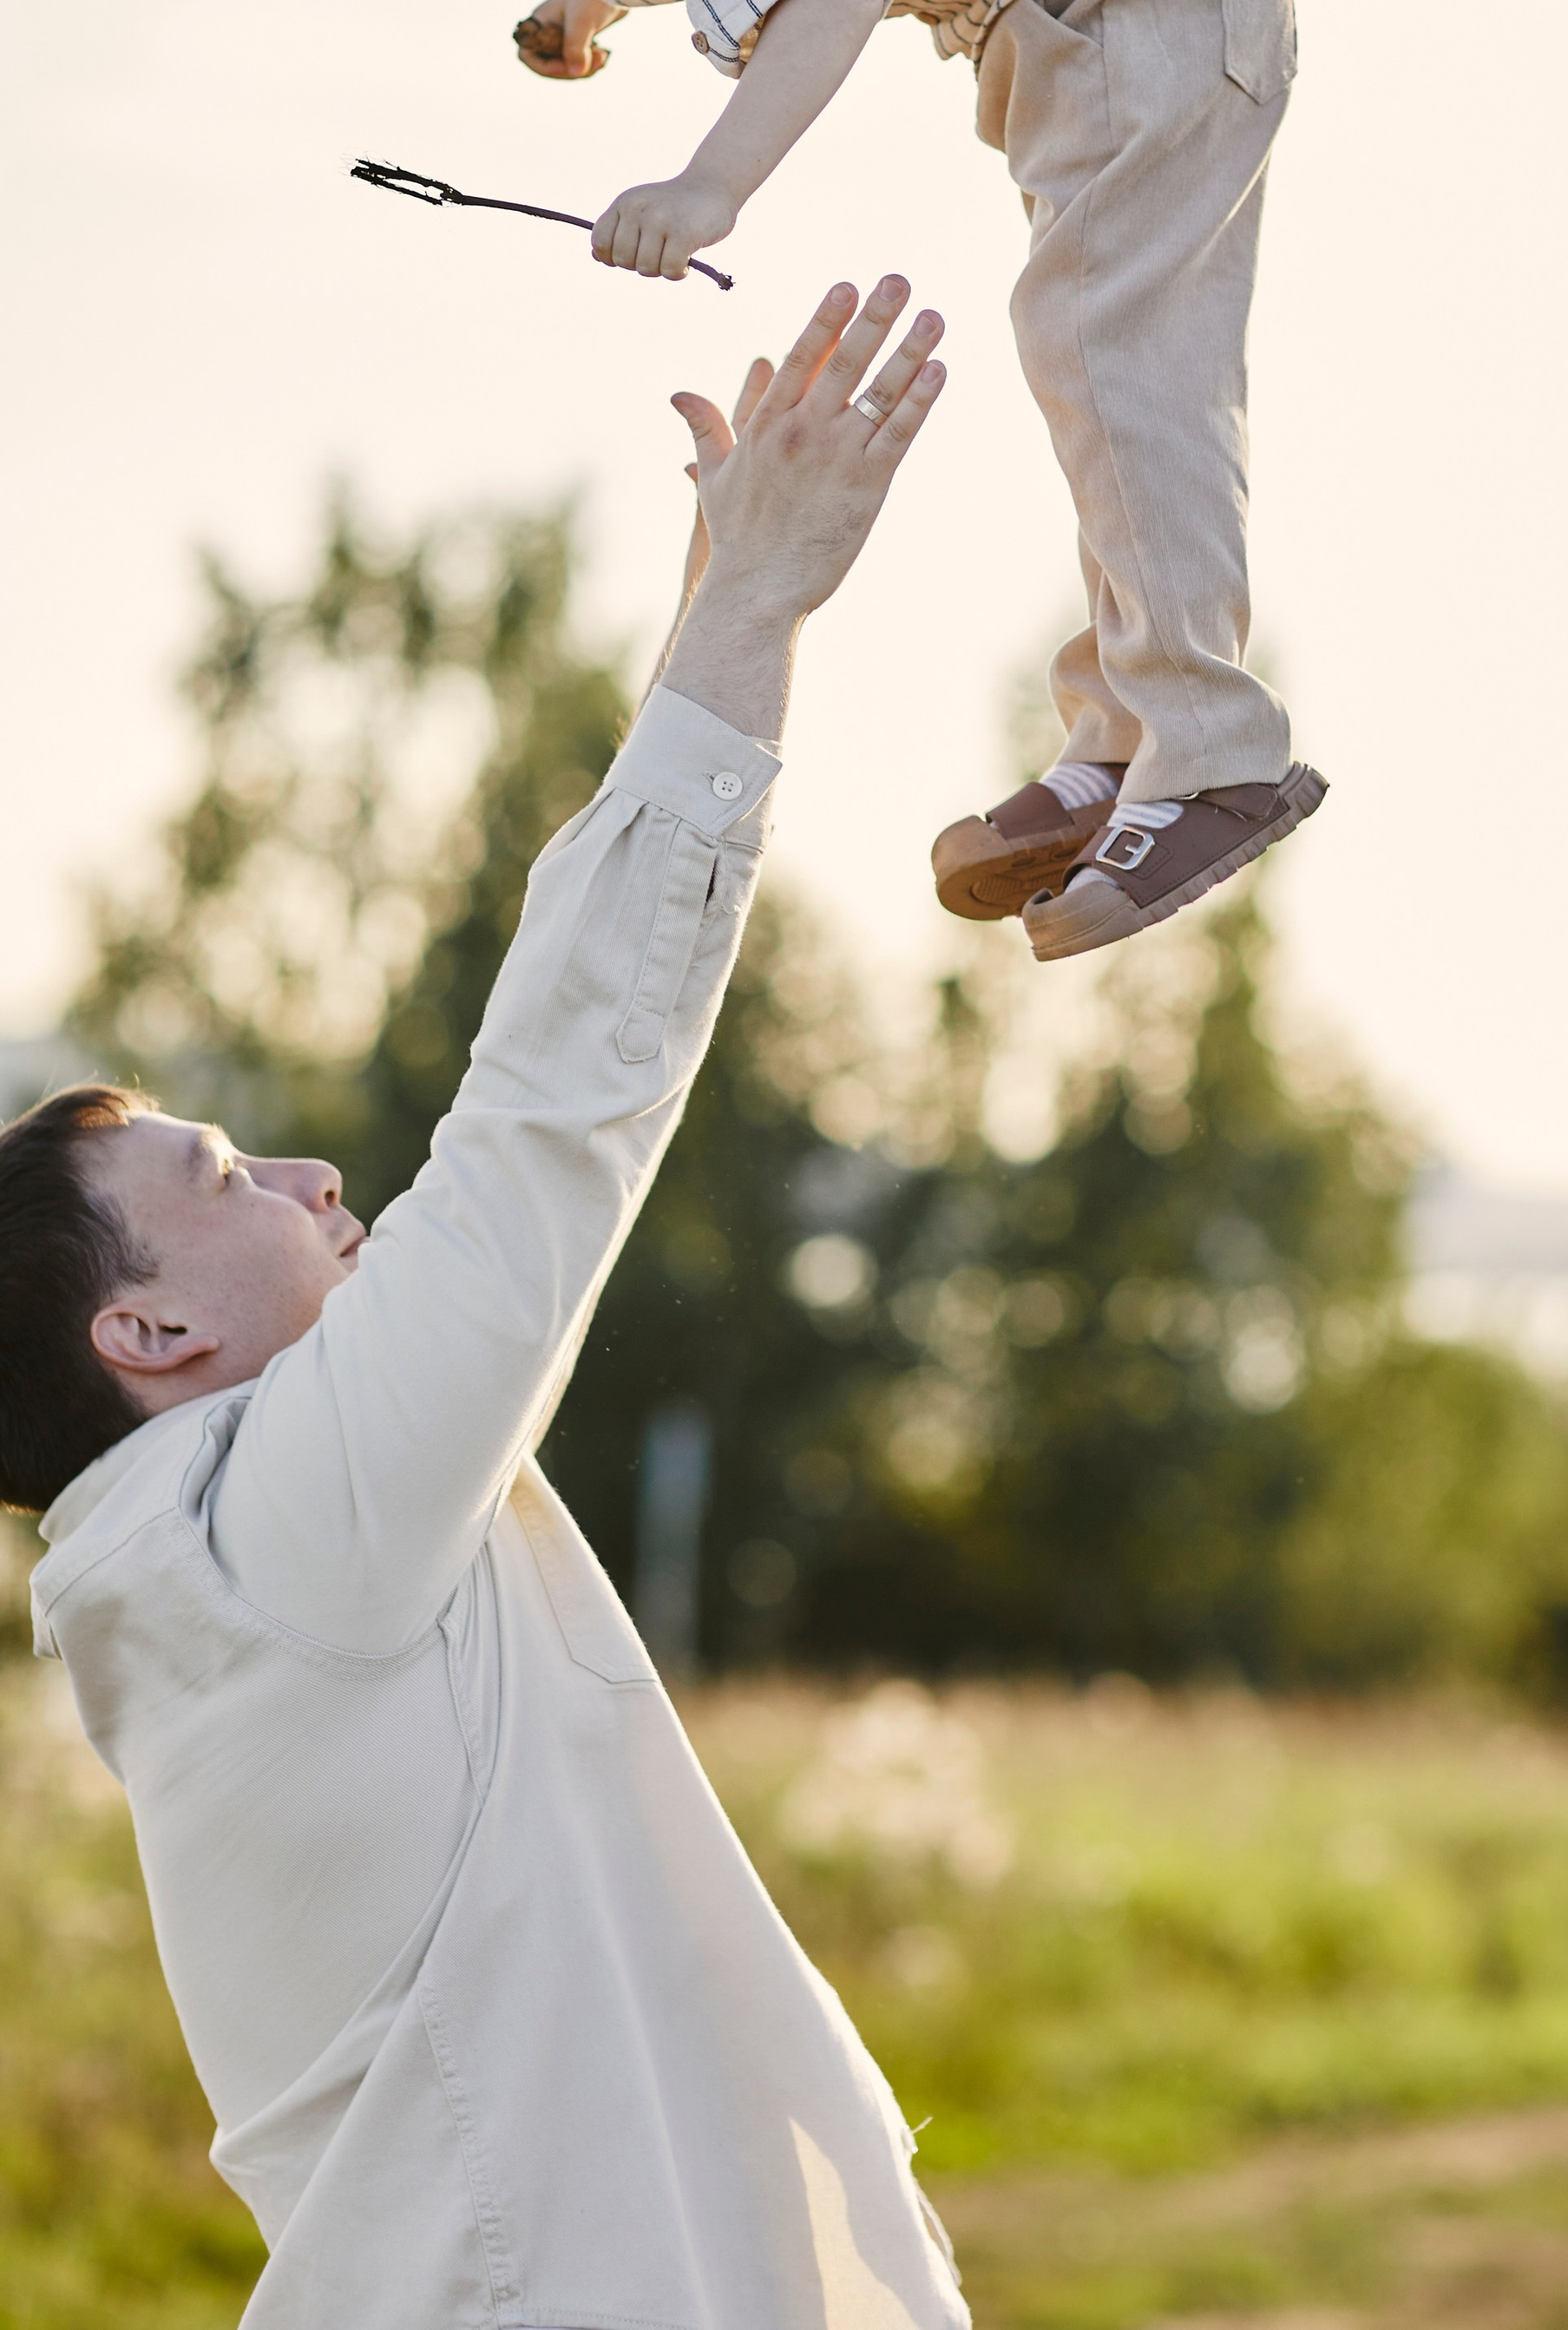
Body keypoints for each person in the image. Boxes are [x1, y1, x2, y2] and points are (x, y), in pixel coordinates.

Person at [1, 280, 968, 2329]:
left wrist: (724, 597)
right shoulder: (259, 1540)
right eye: (222, 1177)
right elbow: (547, 1125)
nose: (309, 1176)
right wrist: (752, 624)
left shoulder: (229, 1555)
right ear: (149, 1338)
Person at [326, 0, 1324, 962]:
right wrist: (582, 11)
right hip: (1080, 7)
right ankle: (1124, 727)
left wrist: (708, 185)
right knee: (1095, 363)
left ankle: (1210, 752)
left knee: (1115, 352)